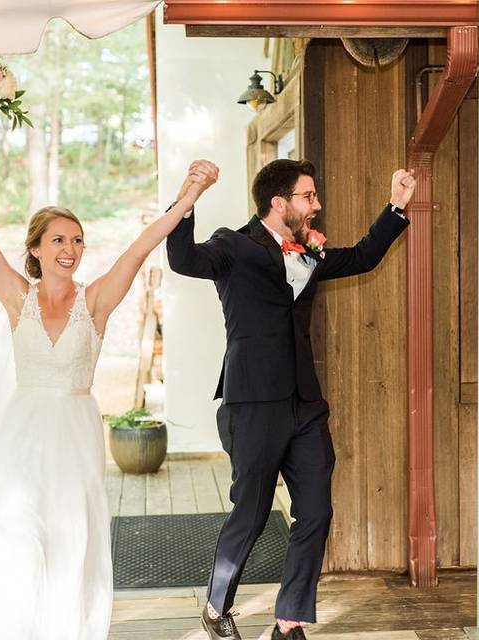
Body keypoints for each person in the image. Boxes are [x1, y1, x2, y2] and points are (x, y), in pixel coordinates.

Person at [0, 110, 219, 639]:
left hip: (74, 433)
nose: (70, 250)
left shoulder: (94, 303)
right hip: (22, 434)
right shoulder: (14, 297)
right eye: (59, 241)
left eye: (77, 241)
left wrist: (188, 199)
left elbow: (140, 249)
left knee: (68, 541)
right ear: (36, 249)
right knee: (17, 539)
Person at [166, 159, 416, 640]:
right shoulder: (233, 246)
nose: (317, 205)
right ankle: (217, 606)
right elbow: (183, 260)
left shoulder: (309, 253)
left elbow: (363, 257)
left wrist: (396, 205)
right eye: (309, 196)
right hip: (253, 402)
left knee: (317, 511)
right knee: (252, 512)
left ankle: (289, 619)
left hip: (305, 404)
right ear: (279, 203)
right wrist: (188, 198)